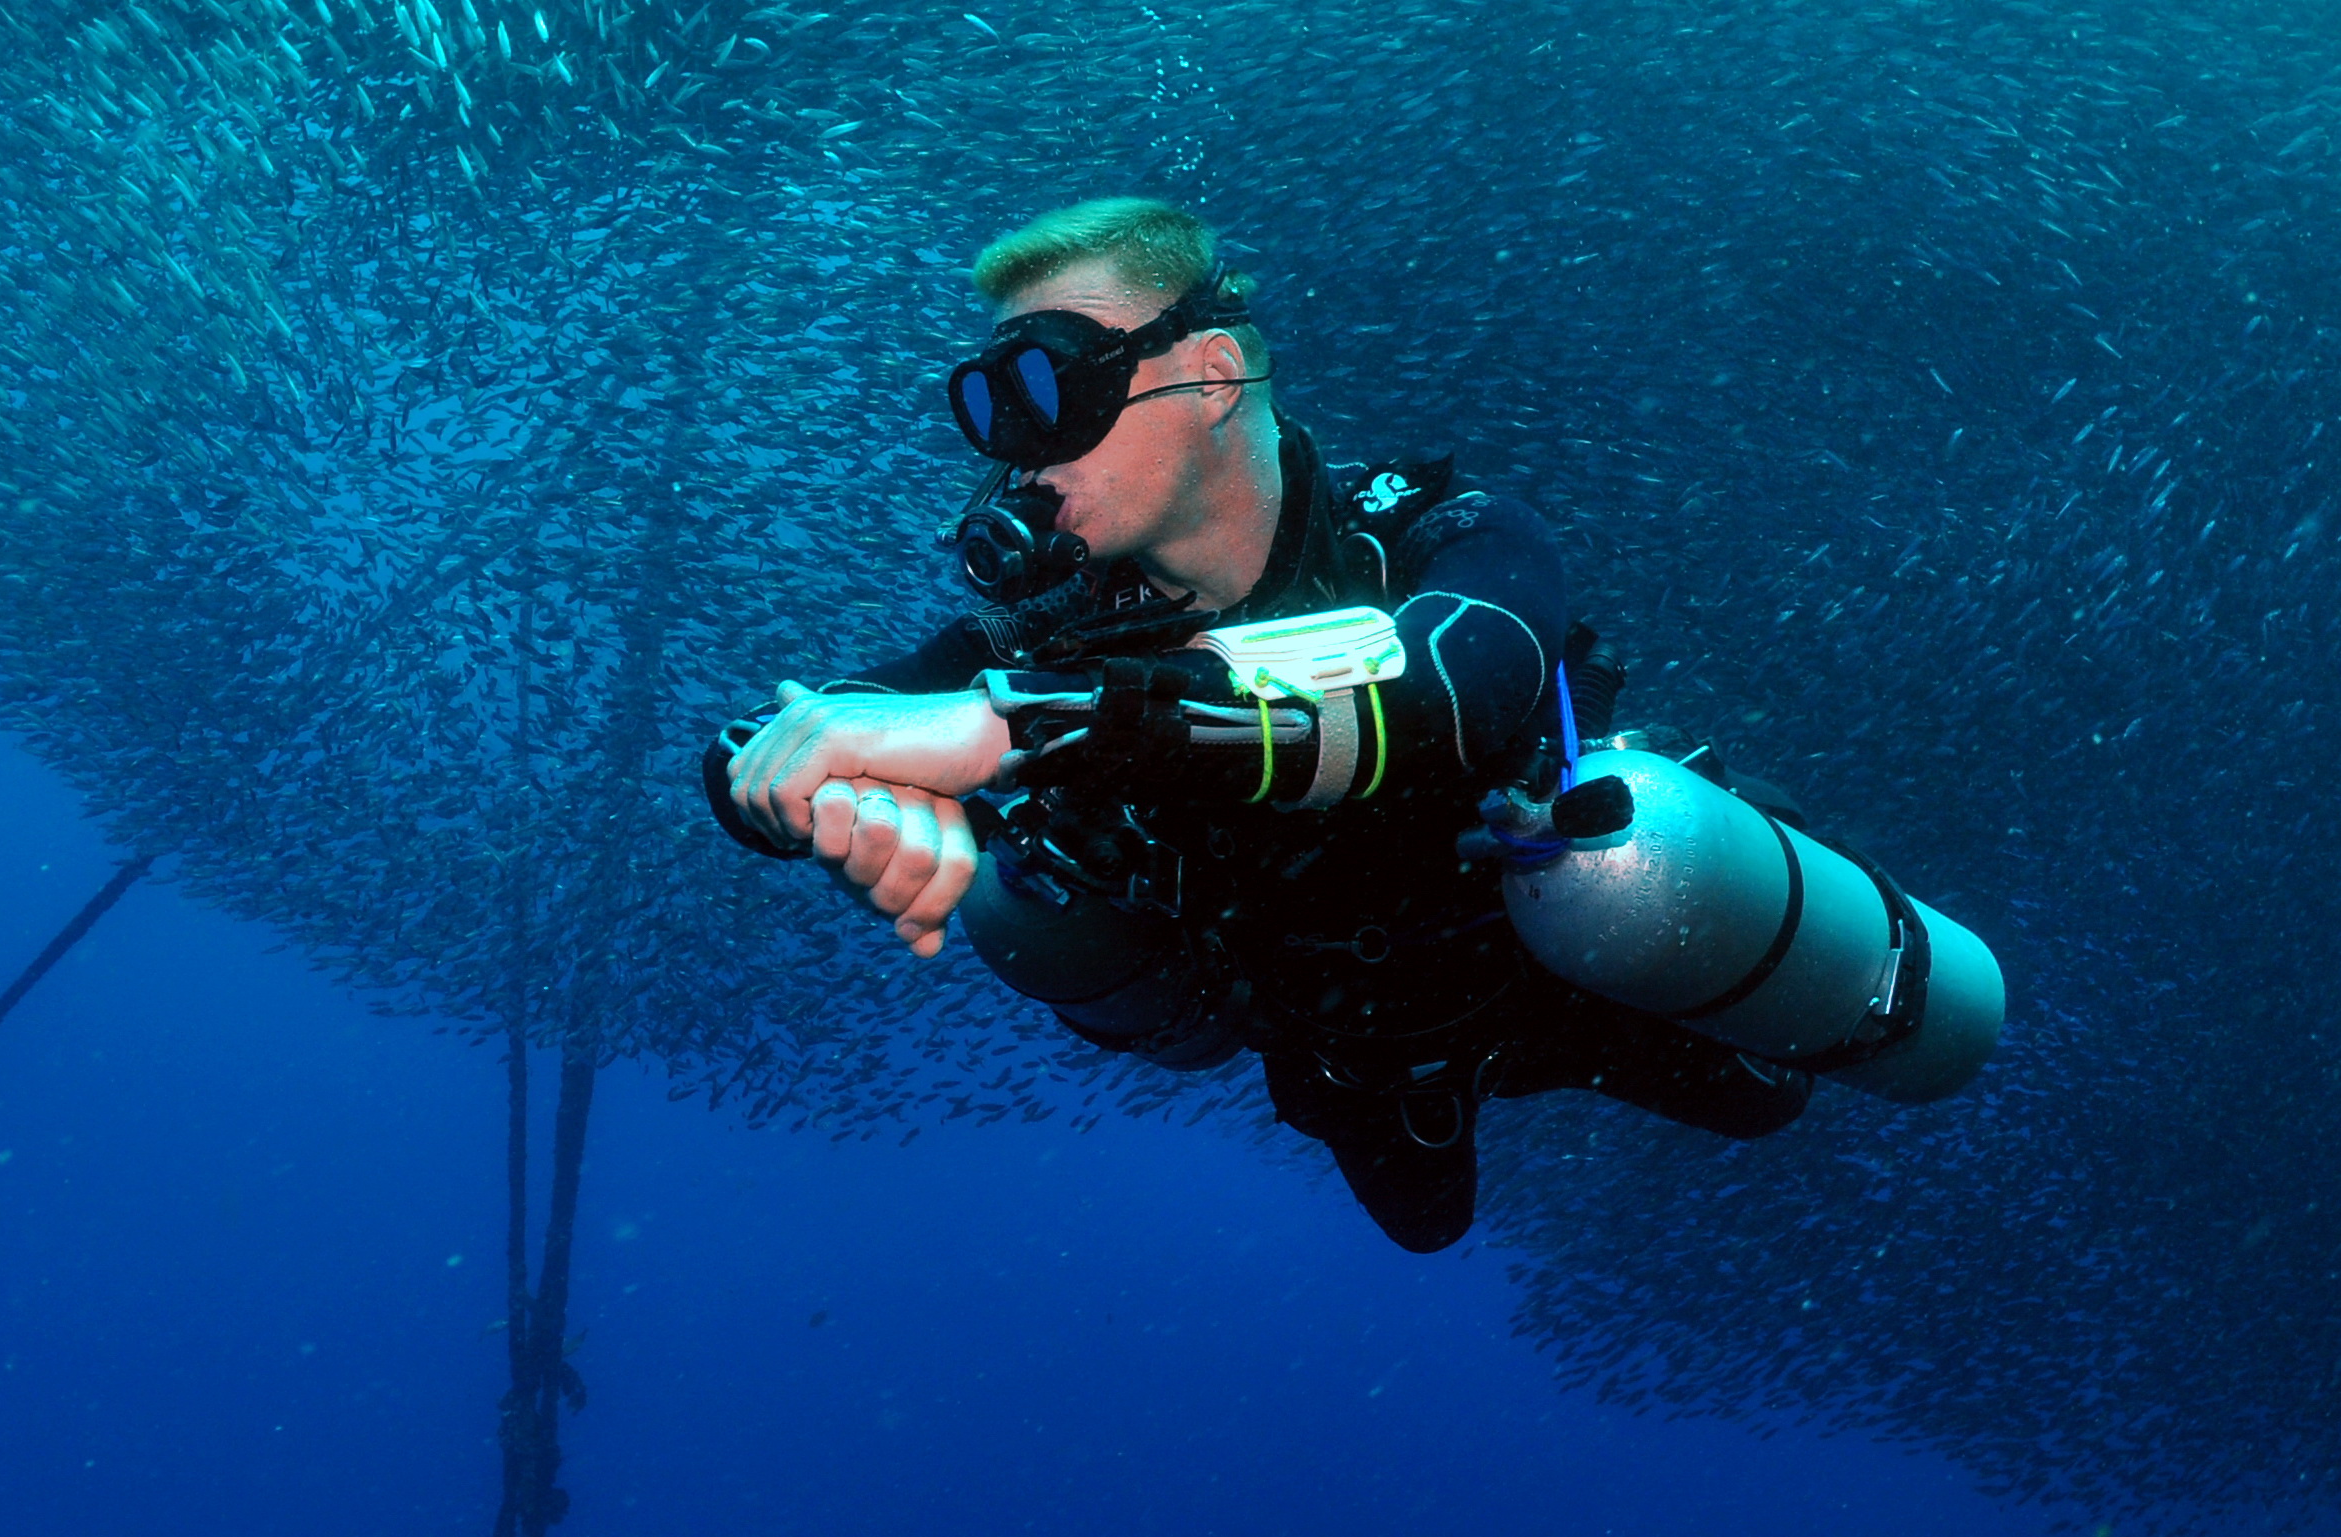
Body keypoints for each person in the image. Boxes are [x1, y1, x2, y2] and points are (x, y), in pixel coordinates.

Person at [706, 197, 1808, 1252]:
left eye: (1051, 386)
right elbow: (782, 730)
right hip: (1351, 1043)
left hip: (1564, 954)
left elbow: (1440, 698)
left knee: (1770, 1094)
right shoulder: (1045, 634)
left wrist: (1013, 729)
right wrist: (803, 786)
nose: (1022, 455)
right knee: (1424, 1223)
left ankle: (1760, 863)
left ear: (1215, 376)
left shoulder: (1439, 537)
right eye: (993, 407)